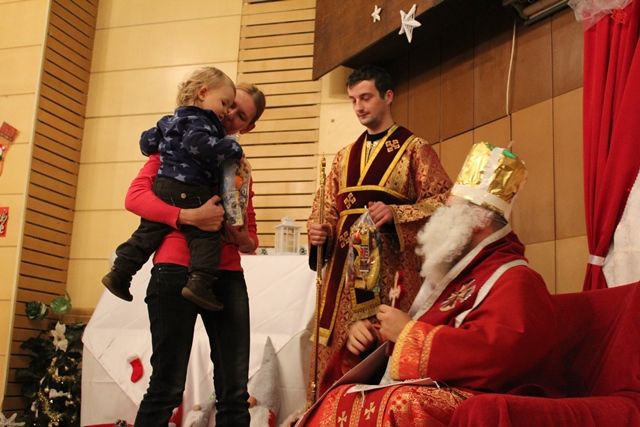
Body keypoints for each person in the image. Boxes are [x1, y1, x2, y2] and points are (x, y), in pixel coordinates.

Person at [297, 142, 558, 427]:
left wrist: (408, 333)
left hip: (481, 400)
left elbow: (500, 356)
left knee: (399, 404)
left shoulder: (515, 278)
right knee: (344, 397)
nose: (439, 218)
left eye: (450, 210)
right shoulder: (458, 275)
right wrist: (369, 342)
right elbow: (421, 338)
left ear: (480, 219)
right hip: (436, 388)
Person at [125, 81, 266, 427]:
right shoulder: (179, 142)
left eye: (241, 115)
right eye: (230, 105)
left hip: (226, 273)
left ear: (248, 127)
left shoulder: (239, 165)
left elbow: (251, 237)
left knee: (234, 392)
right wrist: (188, 216)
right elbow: (135, 197)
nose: (230, 115)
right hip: (175, 267)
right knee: (166, 388)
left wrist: (242, 237)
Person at [306, 65, 452, 399]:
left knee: (380, 357)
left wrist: (398, 214)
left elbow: (444, 201)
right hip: (342, 278)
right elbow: (324, 209)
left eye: (366, 97)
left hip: (390, 274)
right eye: (353, 100)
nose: (358, 107)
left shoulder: (415, 149)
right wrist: (319, 231)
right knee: (338, 354)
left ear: (388, 96)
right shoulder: (343, 157)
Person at [102, 66, 245, 311]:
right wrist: (233, 149)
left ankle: (120, 272)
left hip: (164, 186)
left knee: (147, 233)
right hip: (191, 186)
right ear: (203, 93)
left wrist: (164, 142)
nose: (225, 112)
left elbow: (147, 142)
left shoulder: (170, 120)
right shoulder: (203, 121)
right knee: (205, 237)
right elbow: (197, 144)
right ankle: (200, 283)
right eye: (224, 103)